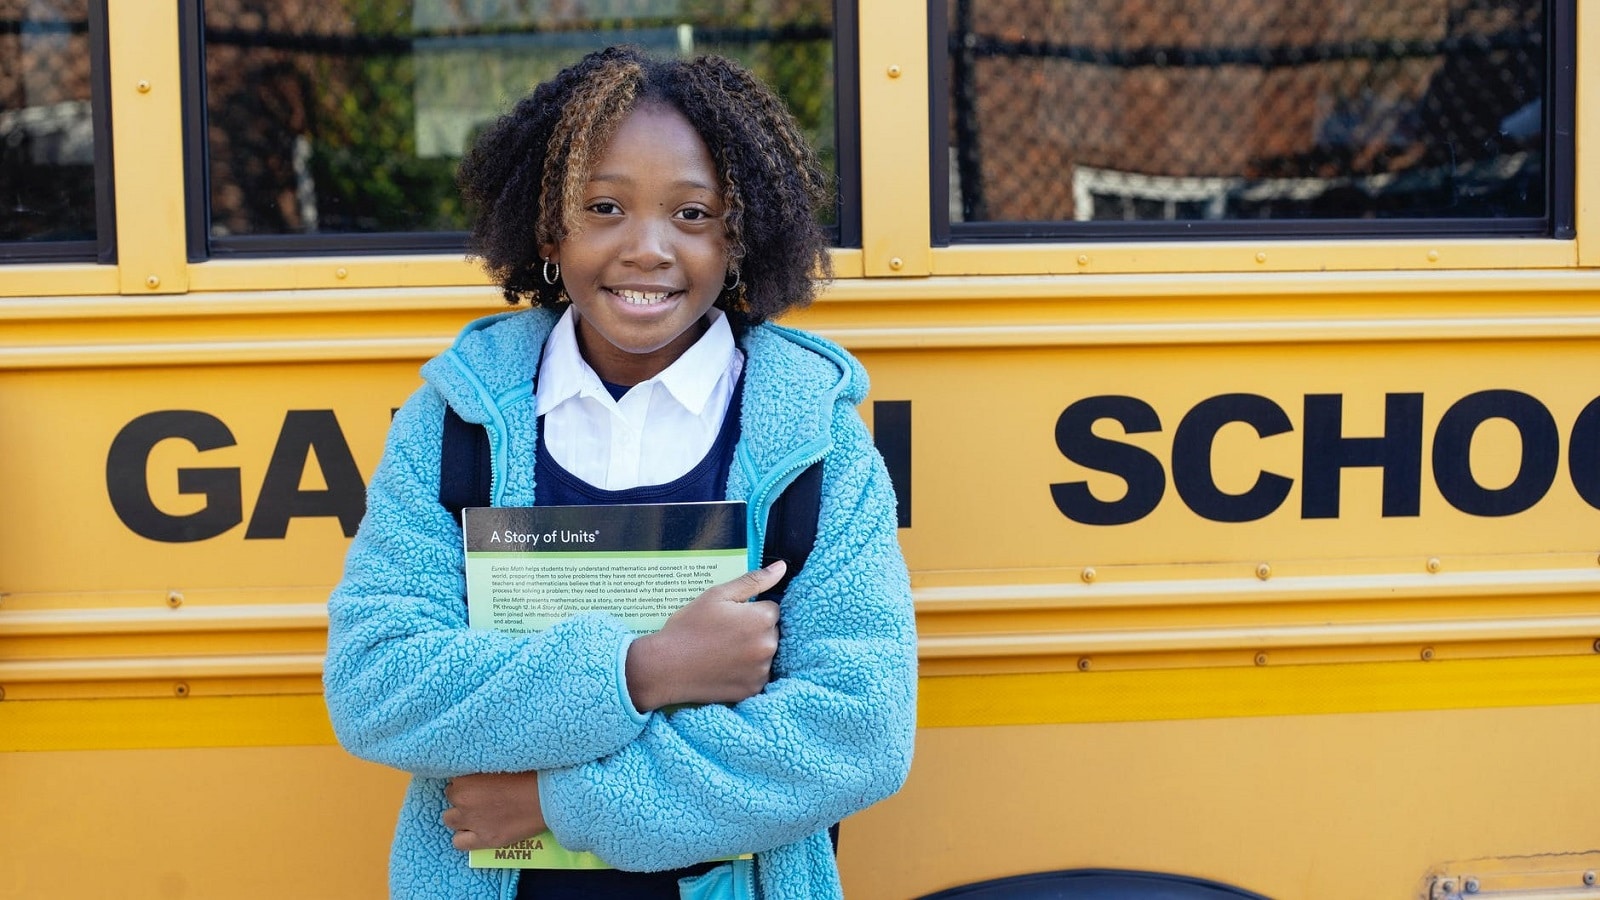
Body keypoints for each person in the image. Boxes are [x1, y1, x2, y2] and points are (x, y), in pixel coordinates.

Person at [322, 45, 917, 900]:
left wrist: (557, 799)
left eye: (693, 214)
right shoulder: (457, 425)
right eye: (604, 207)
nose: (647, 248)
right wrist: (647, 669)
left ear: (739, 237)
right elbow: (378, 685)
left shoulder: (811, 441)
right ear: (548, 231)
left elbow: (857, 732)